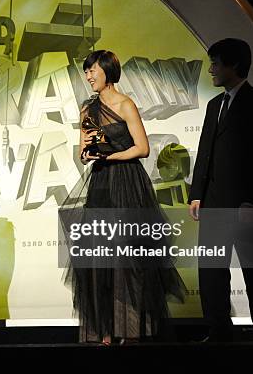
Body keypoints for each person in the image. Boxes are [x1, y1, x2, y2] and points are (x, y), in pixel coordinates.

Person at [62, 50, 185, 345]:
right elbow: (82, 153)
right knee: (100, 257)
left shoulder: (126, 104)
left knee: (127, 257)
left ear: (107, 71)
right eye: (86, 71)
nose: (89, 76)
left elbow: (142, 148)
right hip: (101, 183)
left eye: (93, 70)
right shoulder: (87, 109)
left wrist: (113, 154)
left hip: (127, 182)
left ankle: (131, 330)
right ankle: (103, 330)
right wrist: (88, 152)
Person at [188, 38, 253, 343]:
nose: (211, 69)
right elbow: (206, 151)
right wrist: (196, 193)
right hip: (213, 202)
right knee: (212, 271)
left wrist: (252, 200)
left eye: (216, 63)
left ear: (235, 65)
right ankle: (218, 331)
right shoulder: (215, 104)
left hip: (246, 205)